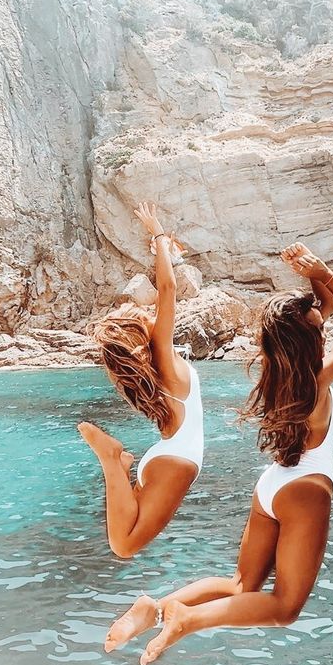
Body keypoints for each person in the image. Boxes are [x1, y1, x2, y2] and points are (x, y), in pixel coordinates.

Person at [102, 242, 333, 664]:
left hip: (272, 486)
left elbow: (319, 313)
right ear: (311, 340)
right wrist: (326, 274)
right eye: (318, 324)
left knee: (239, 586)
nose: (324, 318)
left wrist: (314, 276)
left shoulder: (281, 374)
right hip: (305, 491)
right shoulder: (316, 379)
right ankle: (185, 621)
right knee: (284, 607)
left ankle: (154, 610)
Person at [78, 202, 204, 558]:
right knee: (124, 544)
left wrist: (166, 249)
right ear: (142, 331)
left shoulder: (157, 369)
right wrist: (158, 233)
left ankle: (118, 465)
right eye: (138, 312)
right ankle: (111, 457)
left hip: (174, 460)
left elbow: (167, 285)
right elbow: (168, 288)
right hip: (174, 460)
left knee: (124, 542)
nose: (146, 310)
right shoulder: (162, 354)